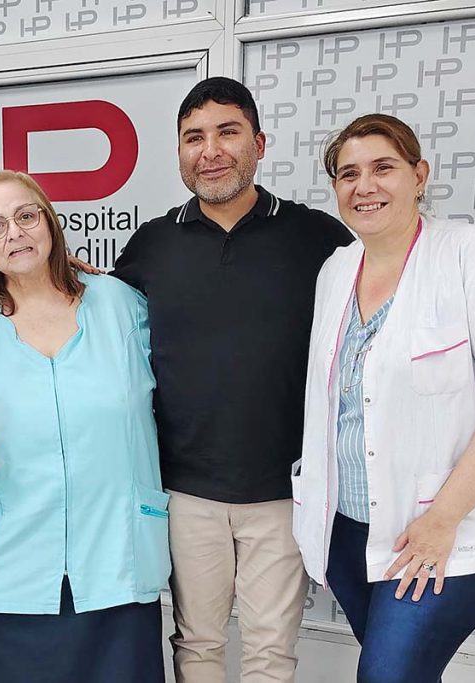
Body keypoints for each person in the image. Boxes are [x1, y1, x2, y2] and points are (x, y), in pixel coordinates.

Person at [294, 113, 475, 681]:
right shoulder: (336, 270)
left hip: (448, 528)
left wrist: (442, 519)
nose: (364, 186)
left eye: (382, 168)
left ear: (419, 175)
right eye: (348, 174)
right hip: (349, 528)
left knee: (387, 675)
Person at [112, 77, 352, 682]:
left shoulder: (320, 238)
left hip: (283, 488)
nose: (210, 151)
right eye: (194, 137)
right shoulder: (151, 244)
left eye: (227, 132)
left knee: (272, 651)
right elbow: (102, 335)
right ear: (179, 151)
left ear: (259, 143)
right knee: (196, 644)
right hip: (184, 489)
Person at [0, 171, 169, 683]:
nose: (15, 234)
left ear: (49, 221)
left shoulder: (121, 304)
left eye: (26, 216)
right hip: (5, 564)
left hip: (114, 555)